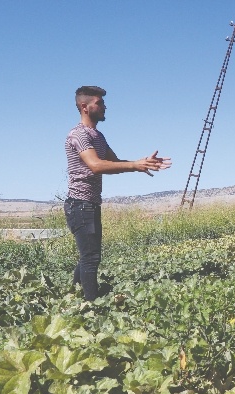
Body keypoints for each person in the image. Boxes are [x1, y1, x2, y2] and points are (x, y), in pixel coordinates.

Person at [64, 86, 171, 301]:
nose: (104, 106)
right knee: (91, 257)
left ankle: (73, 296)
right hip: (79, 204)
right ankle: (90, 305)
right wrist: (134, 165)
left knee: (89, 255)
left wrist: (141, 163)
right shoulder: (79, 135)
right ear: (85, 107)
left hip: (89, 204)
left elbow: (113, 162)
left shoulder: (98, 136)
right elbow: (96, 165)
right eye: (99, 103)